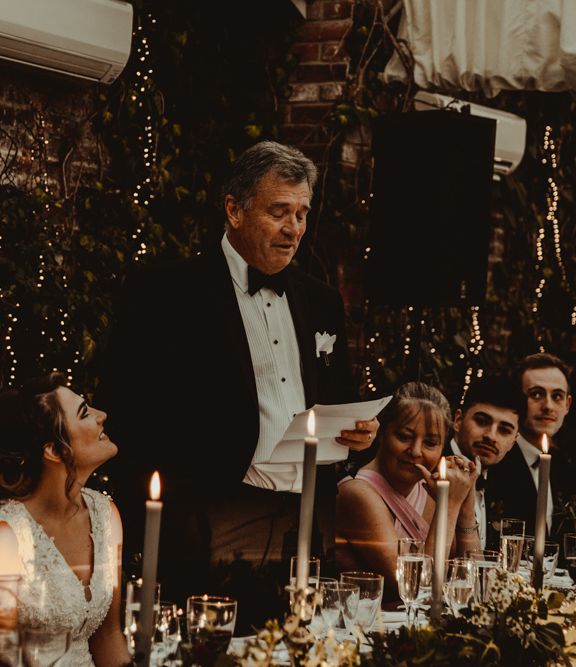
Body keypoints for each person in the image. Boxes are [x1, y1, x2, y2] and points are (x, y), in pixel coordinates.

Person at [98, 141, 377, 628]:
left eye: (302, 213)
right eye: (279, 212)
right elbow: (129, 416)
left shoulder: (322, 301)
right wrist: (157, 524)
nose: (294, 230)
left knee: (300, 650)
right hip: (210, 517)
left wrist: (359, 437)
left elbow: (338, 401)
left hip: (308, 517)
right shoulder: (165, 292)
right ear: (234, 209)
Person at [0, 374, 129, 667]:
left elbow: (108, 636)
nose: (102, 416)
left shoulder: (105, 515)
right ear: (54, 450)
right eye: (85, 413)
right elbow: (4, 655)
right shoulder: (7, 535)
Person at [336, 382, 481, 599]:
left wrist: (466, 503)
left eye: (430, 443)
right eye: (404, 436)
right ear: (383, 433)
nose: (415, 451)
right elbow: (416, 587)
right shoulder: (357, 492)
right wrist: (449, 505)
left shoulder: (429, 490)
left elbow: (475, 581)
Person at [485, 353, 576, 539]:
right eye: (536, 394)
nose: (548, 406)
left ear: (567, 405)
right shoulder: (496, 460)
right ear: (518, 400)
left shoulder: (563, 464)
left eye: (557, 396)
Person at [445, 376, 525, 548]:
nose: (491, 436)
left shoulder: (509, 484)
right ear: (458, 420)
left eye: (504, 430)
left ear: (513, 441)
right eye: (481, 421)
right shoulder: (433, 470)